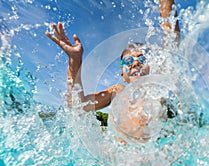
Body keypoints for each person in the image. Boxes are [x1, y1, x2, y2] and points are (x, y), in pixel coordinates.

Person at [45, 0, 180, 113]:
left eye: (142, 59)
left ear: (151, 67)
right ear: (123, 75)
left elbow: (171, 39)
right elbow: (77, 106)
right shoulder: (117, 92)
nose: (136, 63)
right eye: (128, 60)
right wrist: (75, 61)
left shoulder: (159, 91)